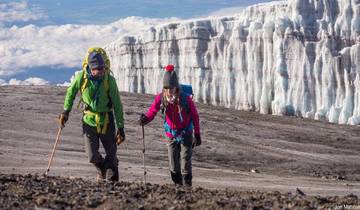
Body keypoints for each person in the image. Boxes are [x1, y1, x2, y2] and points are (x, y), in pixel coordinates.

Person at [59, 47, 125, 182]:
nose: (101, 71)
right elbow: (70, 93)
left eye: (103, 68)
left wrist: (121, 127)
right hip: (89, 120)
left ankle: (112, 179)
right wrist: (66, 111)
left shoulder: (109, 81)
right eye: (98, 69)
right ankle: (103, 168)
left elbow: (117, 105)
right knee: (92, 156)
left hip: (107, 120)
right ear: (90, 67)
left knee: (111, 154)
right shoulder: (81, 78)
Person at [139, 64, 202, 187]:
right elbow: (153, 110)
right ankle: (178, 185)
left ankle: (187, 187)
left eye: (171, 88)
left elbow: (195, 115)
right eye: (166, 88)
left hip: (186, 133)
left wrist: (197, 134)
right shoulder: (161, 98)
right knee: (174, 165)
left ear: (176, 87)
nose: (169, 91)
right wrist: (146, 119)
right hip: (171, 134)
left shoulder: (185, 99)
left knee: (185, 162)